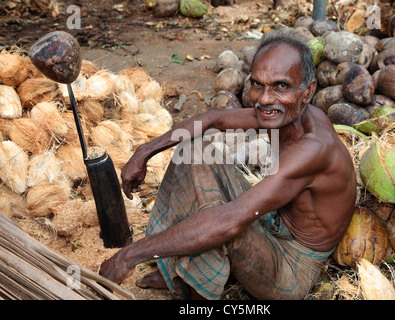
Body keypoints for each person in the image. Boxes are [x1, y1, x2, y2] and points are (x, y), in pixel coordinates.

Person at [99, 28, 357, 300]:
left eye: (281, 86)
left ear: (308, 91)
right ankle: (179, 272)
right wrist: (144, 151)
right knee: (196, 148)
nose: (265, 99)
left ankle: (196, 295)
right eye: (258, 84)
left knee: (218, 227)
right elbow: (213, 119)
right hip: (273, 226)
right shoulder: (285, 112)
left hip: (292, 268)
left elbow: (228, 223)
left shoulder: (313, 147)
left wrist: (127, 257)